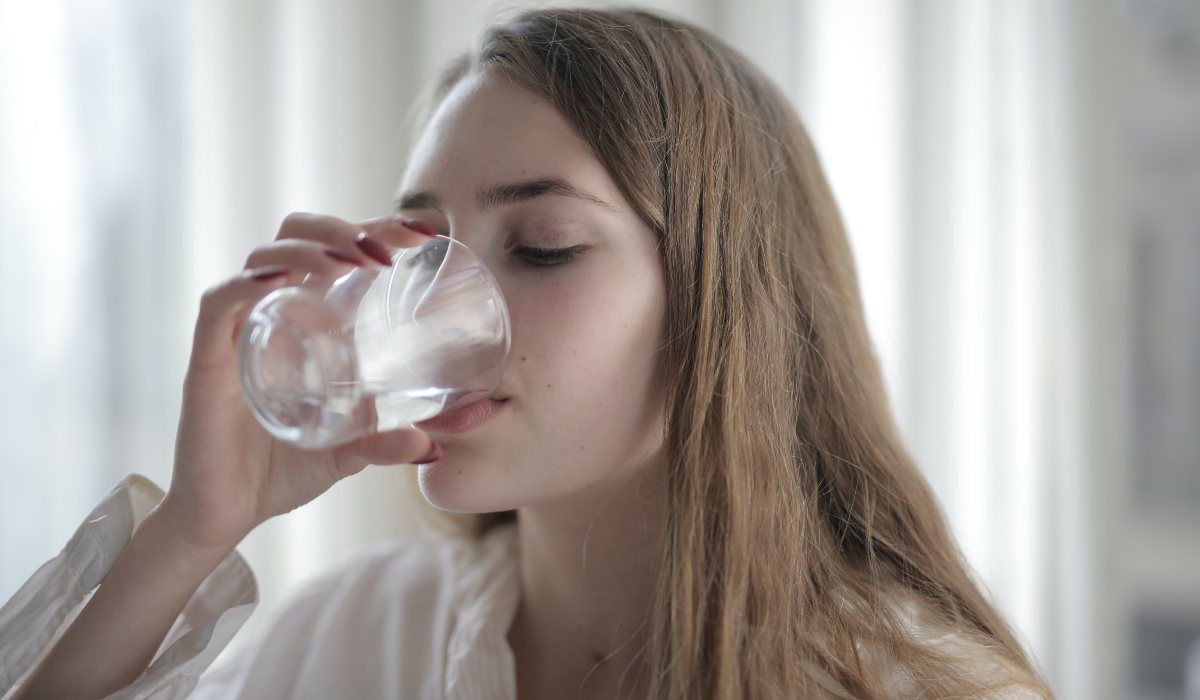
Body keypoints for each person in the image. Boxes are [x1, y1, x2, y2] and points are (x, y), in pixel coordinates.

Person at [0, 6, 1054, 699]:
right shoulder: (358, 636)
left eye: (540, 247)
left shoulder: (913, 686)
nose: (441, 314)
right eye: (422, 250)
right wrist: (190, 529)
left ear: (723, 303)